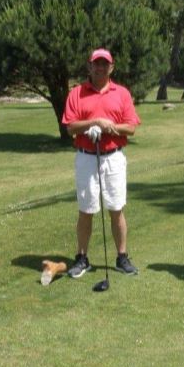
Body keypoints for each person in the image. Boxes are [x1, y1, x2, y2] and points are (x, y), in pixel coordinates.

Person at [61, 48, 141, 278]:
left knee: (116, 208)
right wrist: (93, 123)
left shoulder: (122, 93)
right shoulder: (77, 93)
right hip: (86, 156)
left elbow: (131, 127)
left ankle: (122, 257)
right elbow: (70, 127)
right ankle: (82, 258)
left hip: (113, 157)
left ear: (111, 67)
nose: (100, 67)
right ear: (90, 66)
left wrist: (108, 126)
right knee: (86, 209)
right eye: (96, 63)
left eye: (105, 64)